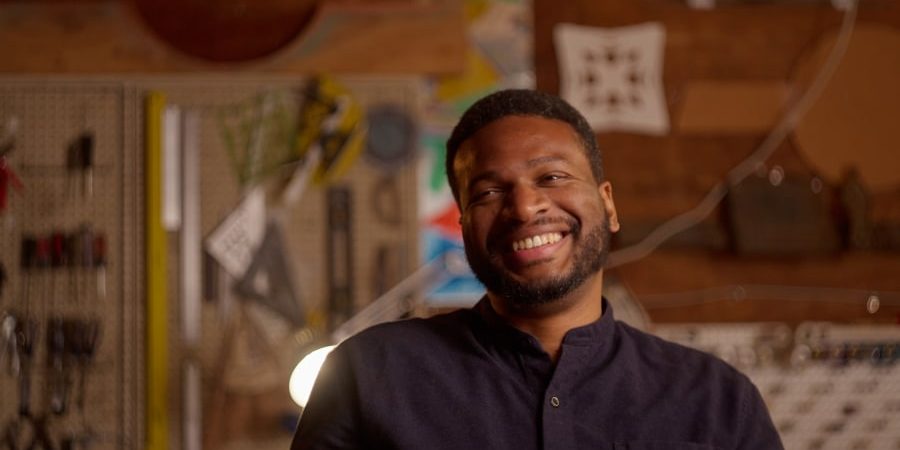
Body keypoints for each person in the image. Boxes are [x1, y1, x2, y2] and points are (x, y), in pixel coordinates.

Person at [291, 89, 783, 449]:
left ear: (607, 205)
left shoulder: (717, 401)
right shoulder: (367, 376)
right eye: (488, 192)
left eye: (552, 176)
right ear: (464, 227)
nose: (525, 208)